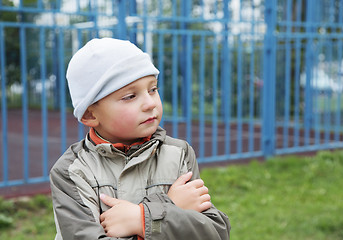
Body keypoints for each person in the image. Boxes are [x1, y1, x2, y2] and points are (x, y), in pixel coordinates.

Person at [49, 37, 231, 240]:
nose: (150, 103)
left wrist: (141, 219)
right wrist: (169, 210)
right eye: (130, 96)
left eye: (152, 89)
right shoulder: (72, 171)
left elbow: (215, 232)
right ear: (90, 115)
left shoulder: (178, 154)